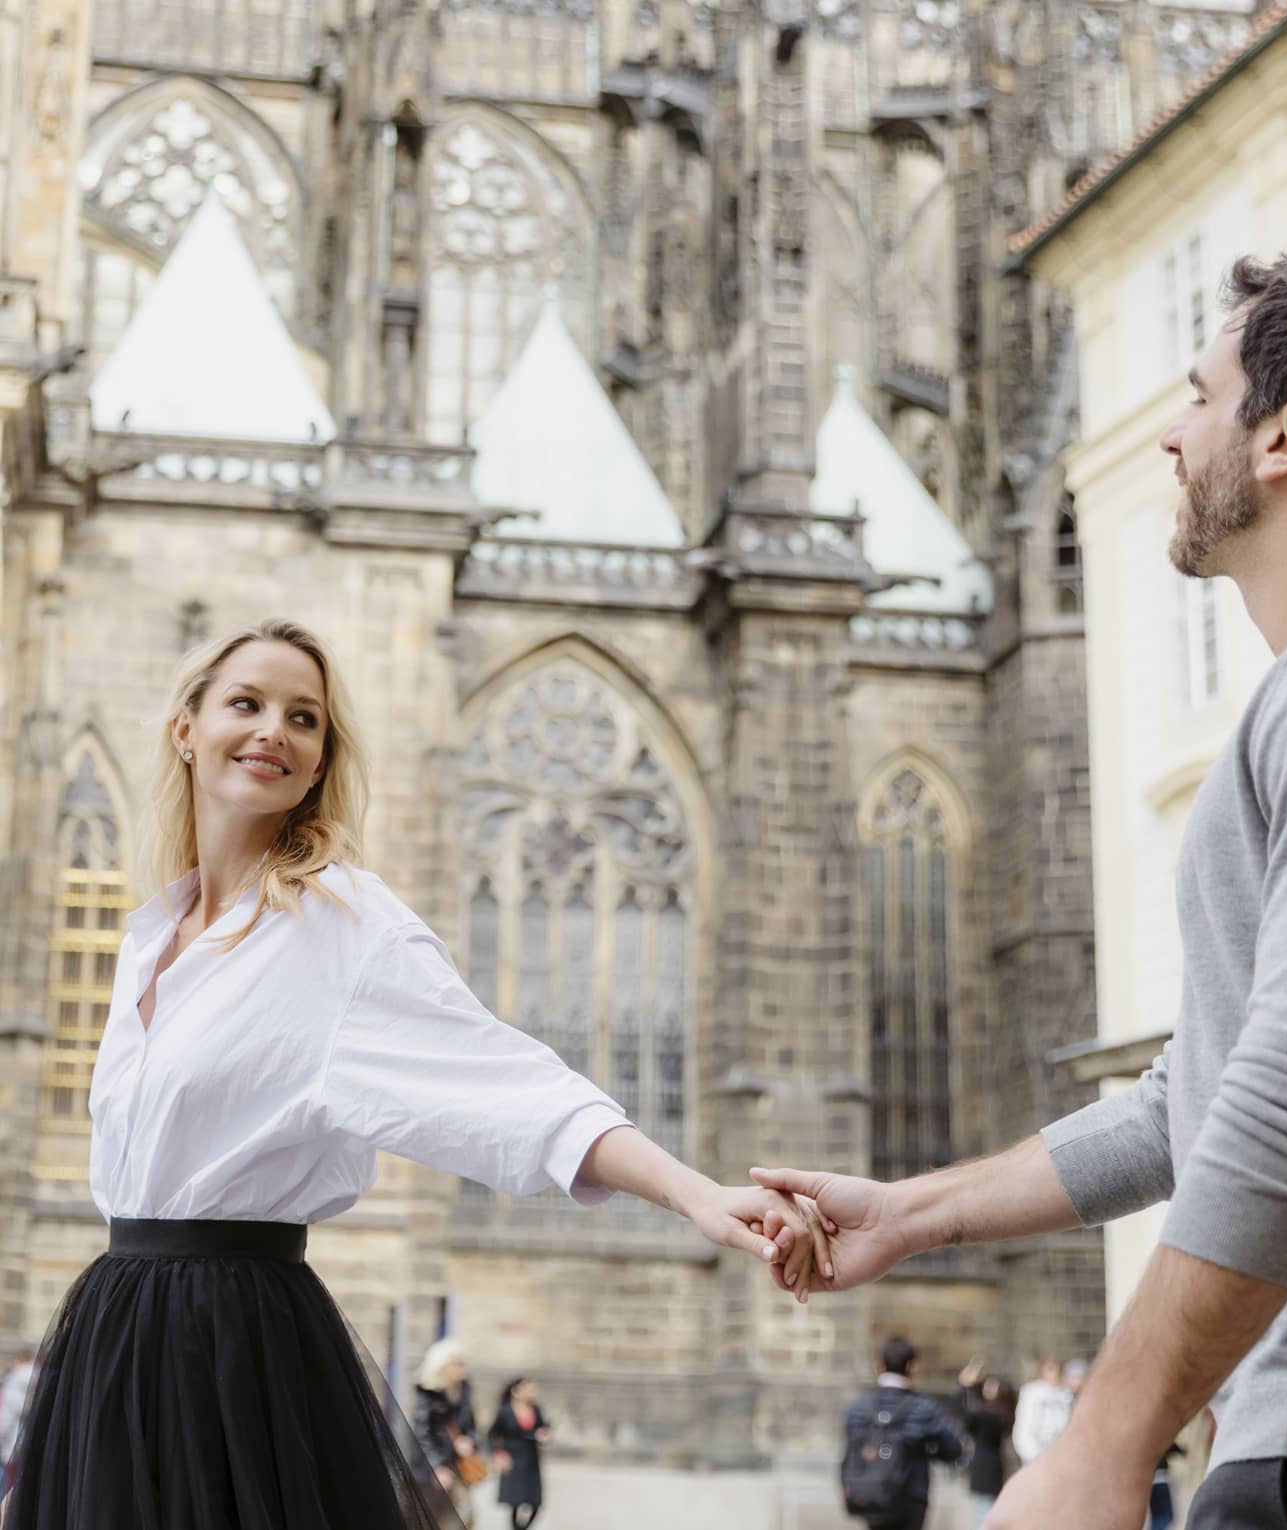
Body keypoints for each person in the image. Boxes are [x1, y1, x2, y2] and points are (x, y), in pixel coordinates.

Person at [754, 238, 1287, 1529]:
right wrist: (916, 1209)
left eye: (1194, 395)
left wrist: (1103, 1441)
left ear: (1282, 435)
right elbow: (1208, 1087)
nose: (1169, 437)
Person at [0, 617, 826, 1530]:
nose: (275, 728)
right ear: (186, 730)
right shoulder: (148, 937)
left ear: (319, 765)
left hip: (234, 1345)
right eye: (247, 703)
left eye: (304, 718)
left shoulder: (342, 926)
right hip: (114, 1334)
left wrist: (693, 1193)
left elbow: (508, 1087)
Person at [841, 1336, 964, 1530]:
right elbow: (955, 1448)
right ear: (911, 1366)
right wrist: (927, 1449)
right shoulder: (923, 1407)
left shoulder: (859, 1406)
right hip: (910, 1497)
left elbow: (851, 1445)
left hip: (870, 1493)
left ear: (881, 1366)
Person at [413, 1340, 481, 1529]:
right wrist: (437, 1466)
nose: (462, 1369)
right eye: (458, 1363)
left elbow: (472, 1426)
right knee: (439, 1514)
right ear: (443, 1365)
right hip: (436, 1465)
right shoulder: (428, 1392)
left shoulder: (464, 1391)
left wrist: (470, 1441)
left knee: (466, 1513)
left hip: (459, 1462)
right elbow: (423, 1434)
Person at [956, 1360, 1014, 1530]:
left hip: (986, 1472)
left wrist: (964, 1386)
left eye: (991, 1387)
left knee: (983, 1518)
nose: (986, 1388)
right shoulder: (999, 1414)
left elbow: (966, 1414)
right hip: (990, 1471)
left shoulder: (991, 1417)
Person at [488, 1377, 549, 1530]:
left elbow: (542, 1429)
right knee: (514, 1502)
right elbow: (492, 1434)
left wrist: (544, 1436)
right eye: (528, 1388)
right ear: (516, 1391)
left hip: (531, 1459)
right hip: (512, 1459)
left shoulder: (535, 1409)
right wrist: (498, 1453)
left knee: (535, 1502)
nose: (532, 1392)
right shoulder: (505, 1411)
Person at [1011, 1359, 1071, 1467]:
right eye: (1051, 1370)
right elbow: (1024, 1429)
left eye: (1057, 1371)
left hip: (1061, 1456)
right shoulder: (1032, 1395)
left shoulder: (1066, 1396)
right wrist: (1035, 1456)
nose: (1054, 1375)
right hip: (1037, 1457)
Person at [0, 1349, 37, 1489]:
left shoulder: (11, 1392)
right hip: (23, 1448)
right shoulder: (27, 1393)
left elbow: (4, 1423)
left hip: (11, 1449)